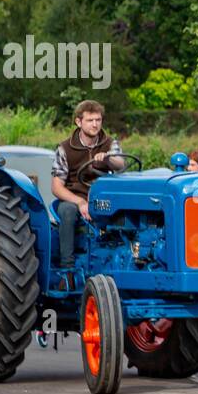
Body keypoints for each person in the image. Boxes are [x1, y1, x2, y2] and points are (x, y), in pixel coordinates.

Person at [51, 100, 124, 287]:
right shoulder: (65, 148)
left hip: (102, 197)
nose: (95, 124)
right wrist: (80, 203)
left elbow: (120, 164)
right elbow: (57, 187)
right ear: (78, 122)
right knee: (67, 211)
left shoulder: (109, 143)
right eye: (90, 120)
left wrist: (108, 159)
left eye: (98, 120)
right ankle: (67, 271)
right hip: (74, 197)